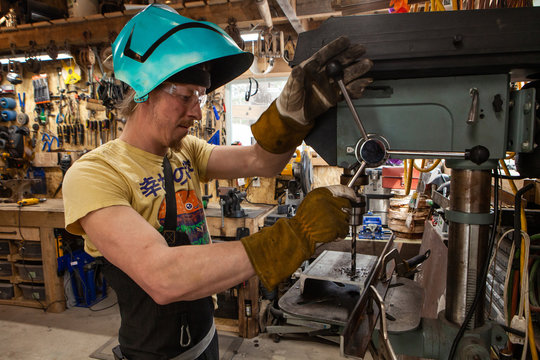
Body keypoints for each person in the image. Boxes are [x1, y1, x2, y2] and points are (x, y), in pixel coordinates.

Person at [62, 4, 372, 360]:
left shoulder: (184, 151)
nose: (196, 112)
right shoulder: (94, 174)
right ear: (144, 90)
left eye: (200, 97)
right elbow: (163, 277)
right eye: (185, 96)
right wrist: (296, 234)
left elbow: (261, 161)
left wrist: (291, 118)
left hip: (206, 339)